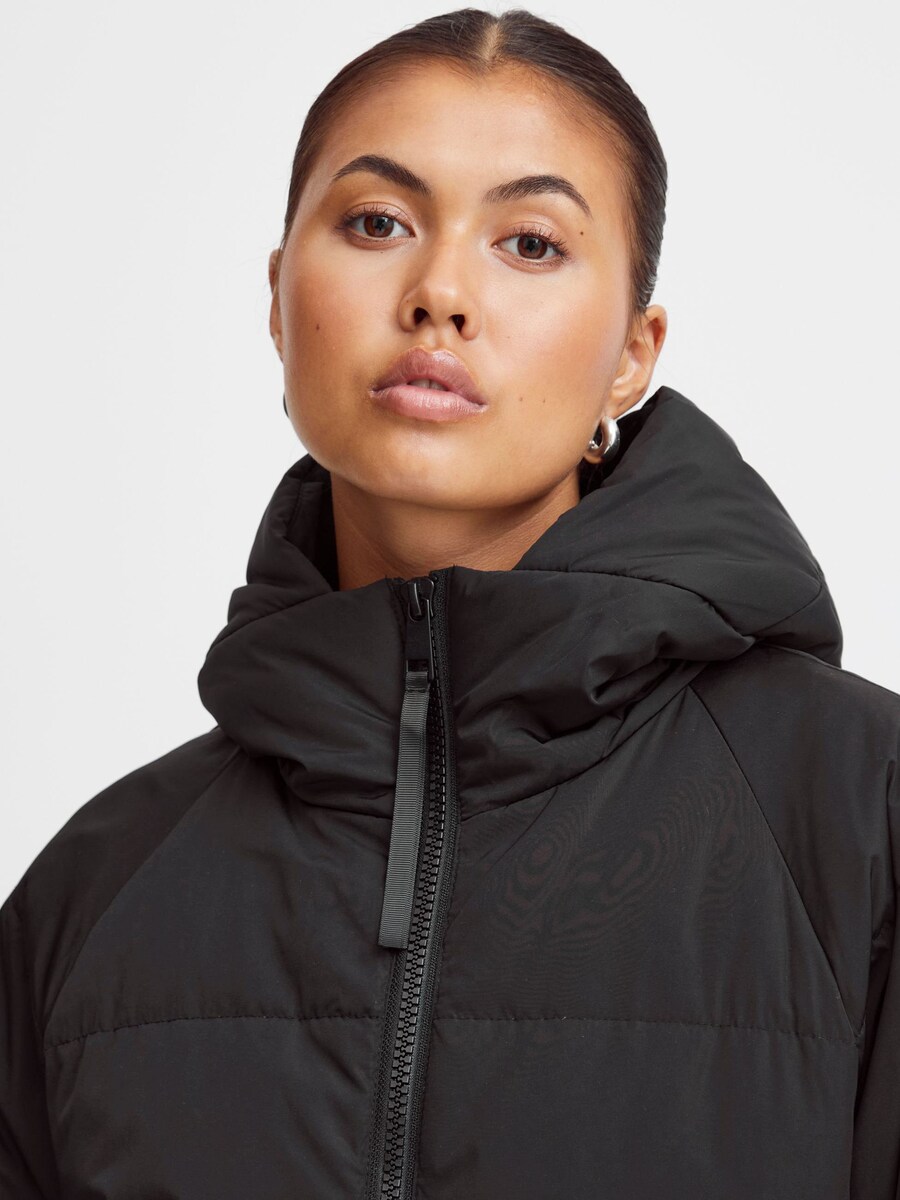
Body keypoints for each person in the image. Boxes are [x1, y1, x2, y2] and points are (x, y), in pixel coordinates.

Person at [2, 7, 898, 1198]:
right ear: (277, 298)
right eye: (377, 223)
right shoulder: (93, 895)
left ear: (633, 354)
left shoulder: (864, 816)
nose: (439, 293)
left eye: (529, 242)